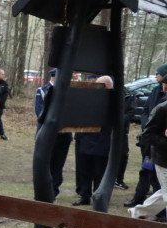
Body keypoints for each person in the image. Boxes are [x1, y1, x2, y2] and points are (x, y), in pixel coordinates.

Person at [126, 65, 167, 207]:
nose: (156, 76)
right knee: (146, 170)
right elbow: (146, 112)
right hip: (150, 142)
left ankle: (156, 211)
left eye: (158, 73)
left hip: (161, 147)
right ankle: (138, 198)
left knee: (159, 182)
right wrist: (146, 125)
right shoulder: (155, 91)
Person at [72, 75, 114, 207]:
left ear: (106, 86)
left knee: (99, 171)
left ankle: (99, 196)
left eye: (98, 85)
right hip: (85, 138)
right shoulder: (91, 97)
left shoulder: (114, 99)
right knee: (84, 170)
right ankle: (84, 196)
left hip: (102, 140)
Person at [34, 68, 72, 197]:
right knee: (46, 163)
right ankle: (45, 190)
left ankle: (54, 189)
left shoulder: (69, 92)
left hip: (64, 134)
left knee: (58, 164)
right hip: (46, 134)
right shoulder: (42, 90)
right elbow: (40, 112)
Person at [129, 96, 167, 221]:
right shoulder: (162, 109)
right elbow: (148, 135)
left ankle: (138, 212)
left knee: (164, 192)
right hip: (163, 160)